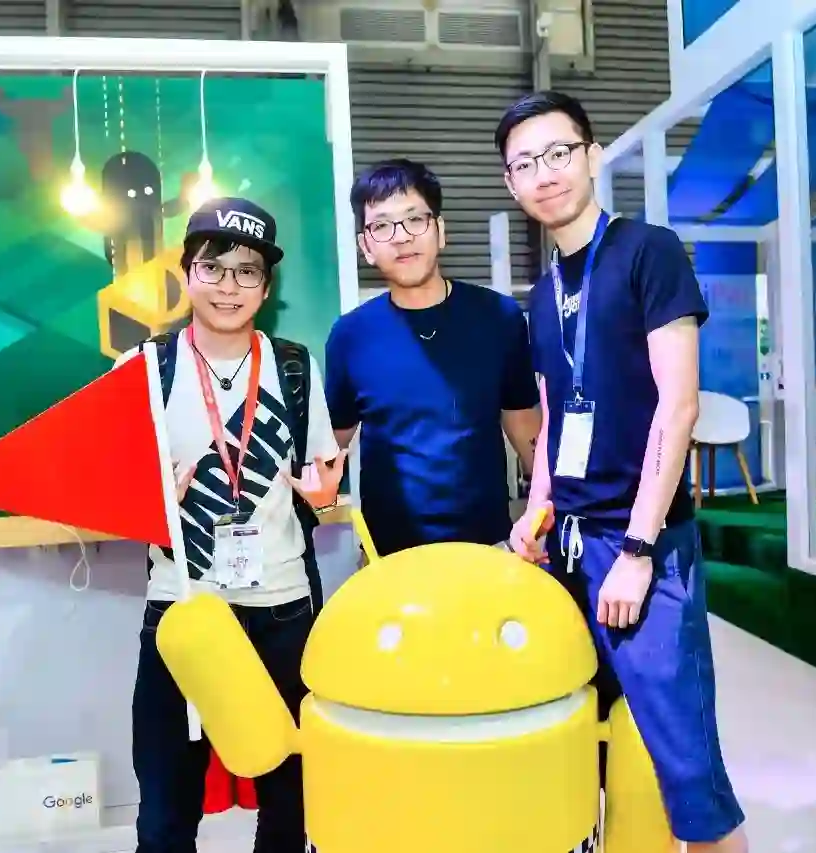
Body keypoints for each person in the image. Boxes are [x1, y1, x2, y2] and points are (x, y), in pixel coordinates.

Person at [498, 92, 748, 851]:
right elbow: (553, 416)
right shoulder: (543, 294)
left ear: (592, 155)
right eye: (524, 163)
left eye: (558, 153)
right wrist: (537, 507)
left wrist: (638, 551)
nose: (544, 173)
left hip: (640, 548)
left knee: (688, 773)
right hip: (568, 548)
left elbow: (679, 406)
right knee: (582, 740)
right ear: (510, 183)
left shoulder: (649, 252)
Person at [116, 197, 345, 853]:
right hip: (183, 608)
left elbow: (320, 476)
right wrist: (145, 500)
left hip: (282, 607)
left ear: (266, 287)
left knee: (289, 797)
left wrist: (324, 496)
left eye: (247, 271)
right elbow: (109, 490)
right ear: (186, 273)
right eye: (212, 267)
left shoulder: (294, 366)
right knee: (166, 803)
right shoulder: (143, 368)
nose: (228, 285)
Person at [325, 159, 541, 555]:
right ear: (366, 247)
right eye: (382, 226)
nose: (402, 237)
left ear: (440, 230)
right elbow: (330, 446)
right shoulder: (350, 336)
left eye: (414, 219)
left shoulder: (500, 318)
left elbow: (524, 424)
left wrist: (547, 508)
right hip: (389, 559)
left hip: (488, 549)